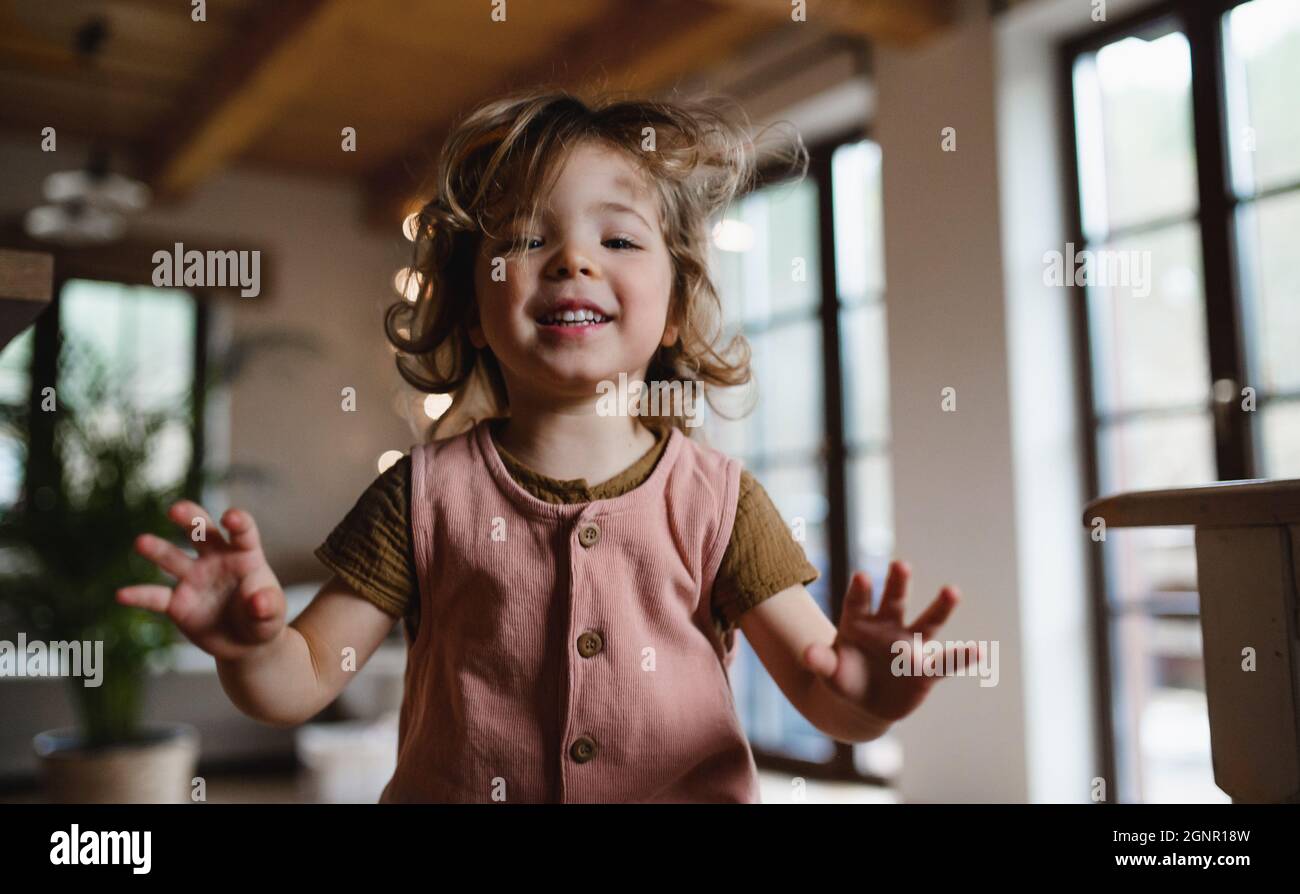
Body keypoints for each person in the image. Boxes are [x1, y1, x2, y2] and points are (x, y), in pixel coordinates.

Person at [118, 89, 973, 803]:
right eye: (525, 239)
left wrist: (872, 697)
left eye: (620, 239)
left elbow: (829, 697)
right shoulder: (420, 494)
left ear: (673, 307)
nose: (572, 260)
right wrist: (253, 648)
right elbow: (299, 681)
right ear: (470, 305)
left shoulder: (719, 499)